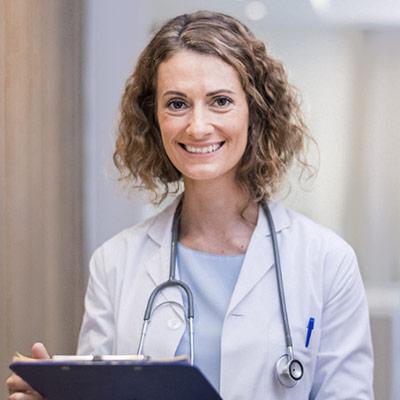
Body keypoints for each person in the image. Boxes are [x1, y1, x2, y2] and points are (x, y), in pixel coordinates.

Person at [6, 10, 373, 400]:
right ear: (154, 118)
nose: (198, 126)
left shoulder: (327, 261)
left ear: (255, 112)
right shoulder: (114, 264)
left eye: (220, 101)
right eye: (177, 104)